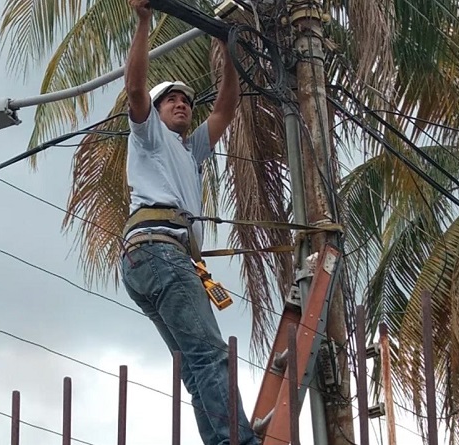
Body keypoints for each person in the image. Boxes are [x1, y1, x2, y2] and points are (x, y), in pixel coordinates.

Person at [118, 0, 258, 444]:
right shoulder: (149, 135)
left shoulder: (190, 150)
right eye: (171, 100)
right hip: (161, 253)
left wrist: (226, 49)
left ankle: (223, 440)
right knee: (211, 357)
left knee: (196, 370)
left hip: (150, 259)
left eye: (184, 100)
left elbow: (226, 108)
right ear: (157, 112)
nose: (180, 104)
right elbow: (137, 91)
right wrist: (144, 21)